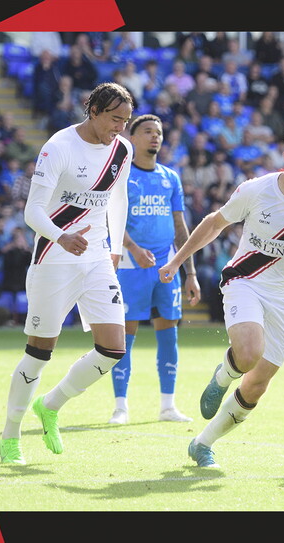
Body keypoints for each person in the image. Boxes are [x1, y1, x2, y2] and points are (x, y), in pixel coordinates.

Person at [157, 125, 284, 468]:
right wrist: (177, 261)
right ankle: (222, 377)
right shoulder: (256, 190)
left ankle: (202, 443)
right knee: (248, 352)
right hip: (246, 280)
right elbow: (215, 223)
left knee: (257, 384)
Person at [0, 82, 135, 465]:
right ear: (93, 111)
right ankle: (11, 435)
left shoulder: (122, 150)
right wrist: (61, 237)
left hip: (95, 260)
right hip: (54, 261)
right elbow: (32, 212)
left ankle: (51, 405)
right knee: (40, 353)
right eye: (114, 119)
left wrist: (116, 250)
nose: (120, 128)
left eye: (125, 120)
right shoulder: (58, 147)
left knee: (113, 349)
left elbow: (118, 198)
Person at [108, 115, 202, 425]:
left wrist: (189, 272)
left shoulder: (170, 178)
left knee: (169, 336)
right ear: (131, 138)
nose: (154, 137)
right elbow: (111, 221)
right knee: (125, 336)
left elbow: (179, 225)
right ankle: (120, 407)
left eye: (159, 132)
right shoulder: (121, 177)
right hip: (131, 265)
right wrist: (133, 248)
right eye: (147, 131)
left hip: (166, 266)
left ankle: (168, 406)